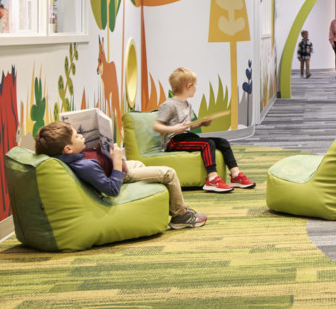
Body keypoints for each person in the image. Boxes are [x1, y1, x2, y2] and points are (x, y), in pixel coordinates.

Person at [35, 120, 206, 230]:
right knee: (168, 173)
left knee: (139, 165)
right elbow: (111, 189)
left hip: (117, 169)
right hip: (120, 175)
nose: (81, 136)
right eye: (77, 136)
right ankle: (181, 215)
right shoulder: (85, 166)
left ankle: (173, 206)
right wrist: (117, 163)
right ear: (68, 149)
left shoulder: (74, 156)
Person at [154, 67, 255, 193]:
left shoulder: (187, 104)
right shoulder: (169, 105)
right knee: (207, 144)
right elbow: (156, 126)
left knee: (222, 141)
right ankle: (212, 178)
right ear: (188, 86)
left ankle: (236, 175)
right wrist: (174, 128)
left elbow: (189, 126)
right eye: (195, 85)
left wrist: (202, 123)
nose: (196, 88)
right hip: (173, 141)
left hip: (186, 136)